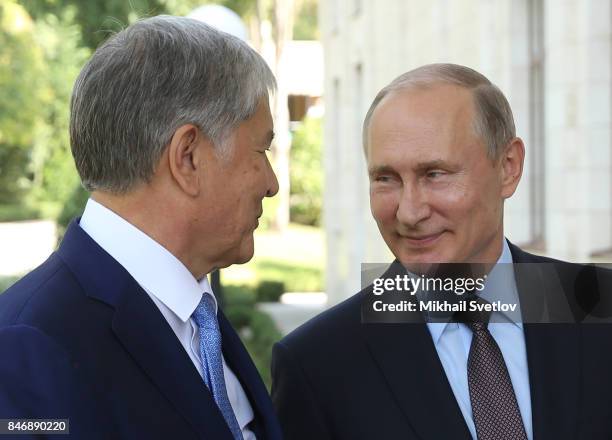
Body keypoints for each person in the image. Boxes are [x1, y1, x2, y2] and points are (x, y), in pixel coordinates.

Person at [271, 63, 612, 439]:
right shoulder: (318, 366)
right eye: (386, 179)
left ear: (508, 167)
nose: (409, 212)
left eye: (435, 174)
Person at [0, 16, 282, 440]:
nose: (272, 183)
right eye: (261, 149)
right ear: (188, 158)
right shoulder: (24, 350)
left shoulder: (197, 315)